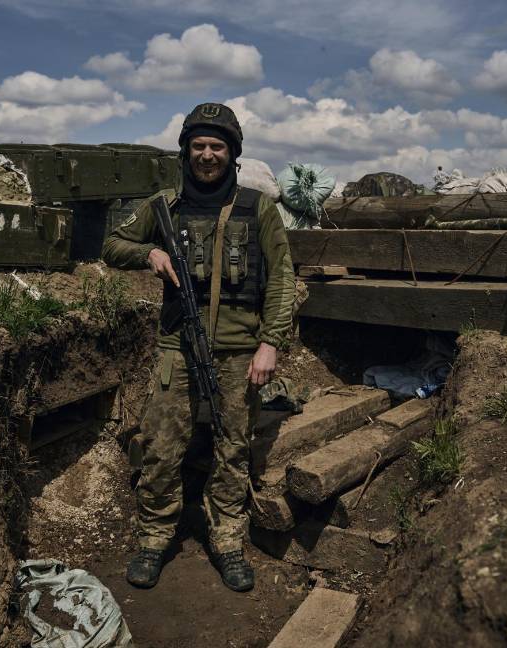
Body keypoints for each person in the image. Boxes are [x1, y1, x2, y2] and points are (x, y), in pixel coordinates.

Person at [102, 103, 296, 592]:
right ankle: (154, 537)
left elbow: (282, 281)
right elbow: (111, 245)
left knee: (232, 449)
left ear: (232, 154)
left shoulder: (259, 208)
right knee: (163, 447)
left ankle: (227, 539)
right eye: (199, 146)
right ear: (187, 151)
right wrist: (148, 251)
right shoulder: (164, 205)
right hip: (176, 348)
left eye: (218, 147)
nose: (207, 155)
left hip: (238, 352)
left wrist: (270, 343)